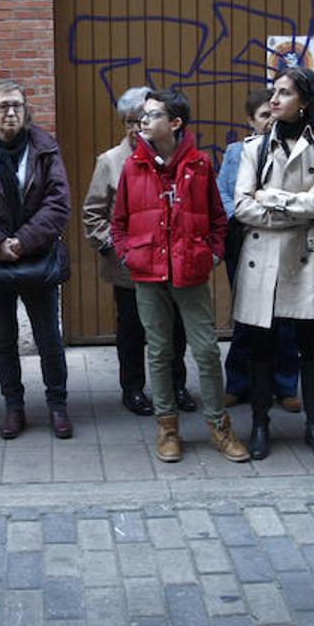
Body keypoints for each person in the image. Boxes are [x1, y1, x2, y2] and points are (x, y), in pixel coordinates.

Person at [112, 88, 248, 464]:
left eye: (153, 115)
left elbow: (219, 220)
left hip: (190, 272)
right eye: (143, 115)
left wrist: (214, 253)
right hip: (148, 273)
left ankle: (219, 426)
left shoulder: (200, 165)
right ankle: (167, 427)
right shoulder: (132, 166)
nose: (144, 120)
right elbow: (118, 222)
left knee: (204, 349)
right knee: (158, 351)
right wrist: (128, 255)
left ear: (174, 123)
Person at [233, 67, 314, 462]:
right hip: (264, 258)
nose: (274, 100)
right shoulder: (255, 147)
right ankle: (260, 425)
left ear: (304, 101)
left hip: (308, 257)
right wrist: (292, 208)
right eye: (274, 92)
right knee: (262, 347)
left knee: (310, 345)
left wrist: (274, 199)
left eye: (285, 93)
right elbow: (242, 205)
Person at [0, 80, 73, 440]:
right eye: (3, 106)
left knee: (49, 337)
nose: (11, 112)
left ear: (26, 109)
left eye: (17, 105)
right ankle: (13, 407)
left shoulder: (45, 149)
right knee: (3, 340)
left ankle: (58, 406)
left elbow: (58, 203)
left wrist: (22, 241)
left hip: (37, 257)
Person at [82, 87, 198, 416]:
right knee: (132, 332)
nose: (137, 127)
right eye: (130, 122)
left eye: (142, 119)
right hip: (130, 267)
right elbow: (93, 213)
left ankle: (177, 385)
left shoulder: (172, 155)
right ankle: (132, 388)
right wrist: (117, 248)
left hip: (171, 262)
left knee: (175, 329)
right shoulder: (110, 161)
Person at [217, 87, 300, 413]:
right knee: (247, 315)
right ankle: (238, 383)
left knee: (285, 317)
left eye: (274, 114)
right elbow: (222, 193)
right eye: (264, 115)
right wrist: (240, 215)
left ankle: (285, 384)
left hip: (283, 243)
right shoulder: (236, 153)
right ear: (250, 120)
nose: (270, 121)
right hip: (245, 242)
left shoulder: (295, 151)